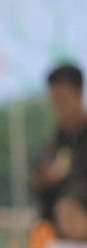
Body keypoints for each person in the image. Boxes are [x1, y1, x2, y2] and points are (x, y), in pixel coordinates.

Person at [32, 64, 87, 222]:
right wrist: (43, 179)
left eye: (62, 98)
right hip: (55, 224)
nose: (57, 105)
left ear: (78, 93)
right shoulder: (54, 141)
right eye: (53, 99)